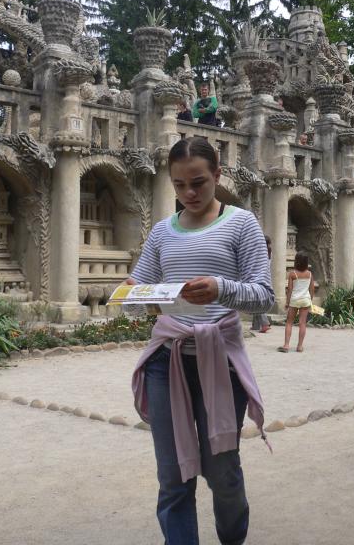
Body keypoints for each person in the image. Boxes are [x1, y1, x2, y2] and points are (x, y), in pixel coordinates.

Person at [129, 136, 274, 545]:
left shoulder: (241, 223)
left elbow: (265, 295)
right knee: (173, 475)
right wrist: (131, 294)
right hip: (166, 360)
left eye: (198, 182)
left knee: (222, 471)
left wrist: (219, 288)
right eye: (179, 185)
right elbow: (140, 288)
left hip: (220, 362)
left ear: (217, 175)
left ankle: (232, 538)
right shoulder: (162, 232)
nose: (188, 193)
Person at [278, 251, 314, 353]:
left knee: (289, 322)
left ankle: (286, 345)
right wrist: (310, 300)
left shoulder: (292, 274)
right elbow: (311, 290)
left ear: (296, 261)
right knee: (302, 323)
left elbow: (289, 290)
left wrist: (287, 302)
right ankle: (300, 346)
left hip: (294, 300)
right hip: (305, 300)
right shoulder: (310, 274)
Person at [251, 234, 272, 333]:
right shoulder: (269, 252)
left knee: (256, 301)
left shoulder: (261, 252)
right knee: (256, 299)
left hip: (257, 277)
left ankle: (264, 323)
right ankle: (255, 325)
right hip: (265, 277)